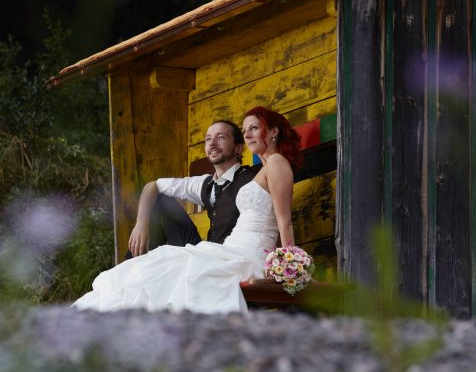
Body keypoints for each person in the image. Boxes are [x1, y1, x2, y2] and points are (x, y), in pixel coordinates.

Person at [73, 106, 303, 314]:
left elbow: (284, 221)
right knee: (162, 262)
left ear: (272, 132)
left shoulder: (267, 167)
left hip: (243, 253)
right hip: (227, 249)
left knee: (174, 269)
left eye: (254, 128)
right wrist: (141, 223)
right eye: (245, 130)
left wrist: (289, 265)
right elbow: (154, 186)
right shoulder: (240, 174)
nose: (248, 134)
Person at [127, 120, 257, 257]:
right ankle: (135, 262)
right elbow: (152, 186)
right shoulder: (205, 183)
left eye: (221, 137)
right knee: (160, 199)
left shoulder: (252, 180)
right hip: (205, 253)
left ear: (238, 148)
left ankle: (139, 262)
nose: (212, 143)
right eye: (208, 139)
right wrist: (140, 224)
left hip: (231, 257)